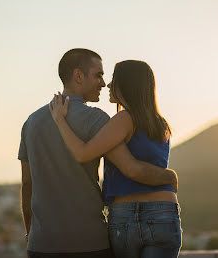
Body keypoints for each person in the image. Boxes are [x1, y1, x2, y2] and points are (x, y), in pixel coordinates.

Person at [18, 49, 178, 258]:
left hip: (41, 245)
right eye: (98, 75)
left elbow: (27, 185)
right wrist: (170, 176)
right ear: (78, 76)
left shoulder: (30, 123)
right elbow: (130, 167)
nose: (103, 83)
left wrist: (30, 232)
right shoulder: (97, 120)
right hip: (89, 243)